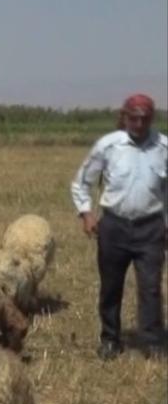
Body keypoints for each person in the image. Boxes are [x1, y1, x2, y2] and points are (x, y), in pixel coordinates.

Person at [70, 93, 167, 360]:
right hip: (114, 227)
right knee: (111, 286)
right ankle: (110, 339)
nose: (139, 123)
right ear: (124, 117)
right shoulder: (108, 146)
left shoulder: (163, 148)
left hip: (151, 229)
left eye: (145, 119)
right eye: (134, 118)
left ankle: (153, 342)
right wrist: (87, 214)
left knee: (150, 287)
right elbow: (81, 182)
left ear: (152, 119)